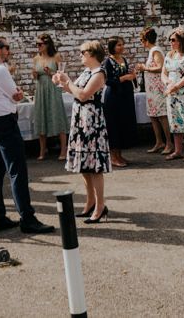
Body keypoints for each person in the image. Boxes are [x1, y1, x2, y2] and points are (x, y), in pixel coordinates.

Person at [0, 36, 54, 235]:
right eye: (6, 48)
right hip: (2, 122)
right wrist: (16, 94)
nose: (9, 51)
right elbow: (16, 94)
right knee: (17, 171)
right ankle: (27, 218)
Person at [55, 40, 111, 224]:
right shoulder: (87, 72)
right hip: (81, 120)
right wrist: (62, 82)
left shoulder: (99, 73)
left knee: (95, 167)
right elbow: (73, 90)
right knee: (85, 167)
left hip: (92, 122)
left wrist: (68, 82)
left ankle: (101, 206)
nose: (80, 55)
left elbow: (83, 94)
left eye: (82, 52)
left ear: (92, 54)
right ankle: (90, 202)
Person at [101, 36, 137, 167]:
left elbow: (126, 75)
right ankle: (113, 156)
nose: (122, 47)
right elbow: (108, 81)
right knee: (114, 125)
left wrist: (132, 75)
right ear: (112, 47)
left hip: (125, 96)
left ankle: (120, 155)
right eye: (118, 45)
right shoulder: (108, 62)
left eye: (122, 44)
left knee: (123, 124)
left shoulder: (123, 59)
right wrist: (124, 78)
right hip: (114, 97)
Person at [32, 33, 68, 161]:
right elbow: (35, 77)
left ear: (47, 44)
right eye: (37, 44)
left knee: (57, 115)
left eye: (40, 44)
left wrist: (51, 72)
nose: (38, 46)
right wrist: (35, 74)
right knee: (41, 116)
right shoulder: (36, 58)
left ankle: (64, 150)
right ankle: (42, 151)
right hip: (41, 89)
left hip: (53, 89)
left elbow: (62, 75)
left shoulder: (56, 56)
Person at [162, 28, 184, 161]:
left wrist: (175, 86)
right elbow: (163, 72)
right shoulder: (169, 56)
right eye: (170, 40)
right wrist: (167, 83)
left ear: (181, 41)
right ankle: (178, 150)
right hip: (171, 94)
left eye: (173, 40)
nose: (171, 42)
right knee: (175, 122)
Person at [136, 27, 170, 154]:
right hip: (151, 89)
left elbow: (161, 67)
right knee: (153, 116)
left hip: (158, 89)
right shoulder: (151, 51)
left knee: (161, 115)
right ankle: (159, 142)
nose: (141, 43)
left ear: (146, 40)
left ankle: (169, 143)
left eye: (141, 40)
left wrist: (144, 68)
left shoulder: (156, 50)